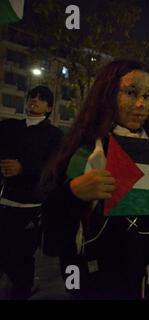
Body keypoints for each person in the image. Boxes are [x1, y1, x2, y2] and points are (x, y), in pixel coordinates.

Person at [40, 60, 149, 300]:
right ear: (106, 94)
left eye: (148, 96)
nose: (141, 104)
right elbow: (52, 243)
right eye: (131, 93)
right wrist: (71, 194)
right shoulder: (83, 154)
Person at [0, 85, 63, 299]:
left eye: (41, 99)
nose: (34, 101)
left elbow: (53, 169)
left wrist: (23, 168)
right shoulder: (10, 127)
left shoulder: (54, 135)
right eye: (32, 97)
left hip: (31, 207)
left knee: (22, 258)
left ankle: (22, 290)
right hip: (5, 202)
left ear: (49, 108)